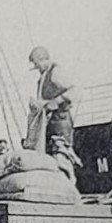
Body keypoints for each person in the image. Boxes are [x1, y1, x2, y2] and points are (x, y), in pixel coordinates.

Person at [26, 47, 80, 180]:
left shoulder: (56, 72)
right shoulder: (42, 78)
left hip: (60, 121)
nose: (36, 67)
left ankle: (69, 186)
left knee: (61, 156)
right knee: (52, 159)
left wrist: (56, 102)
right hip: (49, 123)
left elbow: (75, 90)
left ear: (43, 59)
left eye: (36, 63)